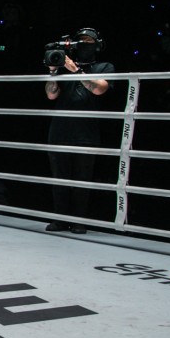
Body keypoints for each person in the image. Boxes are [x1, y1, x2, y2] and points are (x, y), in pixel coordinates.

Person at [43, 27, 114, 234]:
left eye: (88, 42)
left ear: (97, 45)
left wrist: (76, 70)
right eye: (80, 41)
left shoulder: (104, 66)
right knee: (59, 178)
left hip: (86, 132)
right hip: (59, 129)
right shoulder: (63, 67)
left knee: (82, 179)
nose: (83, 45)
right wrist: (54, 71)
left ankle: (79, 221)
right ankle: (59, 218)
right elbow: (51, 95)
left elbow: (99, 89)